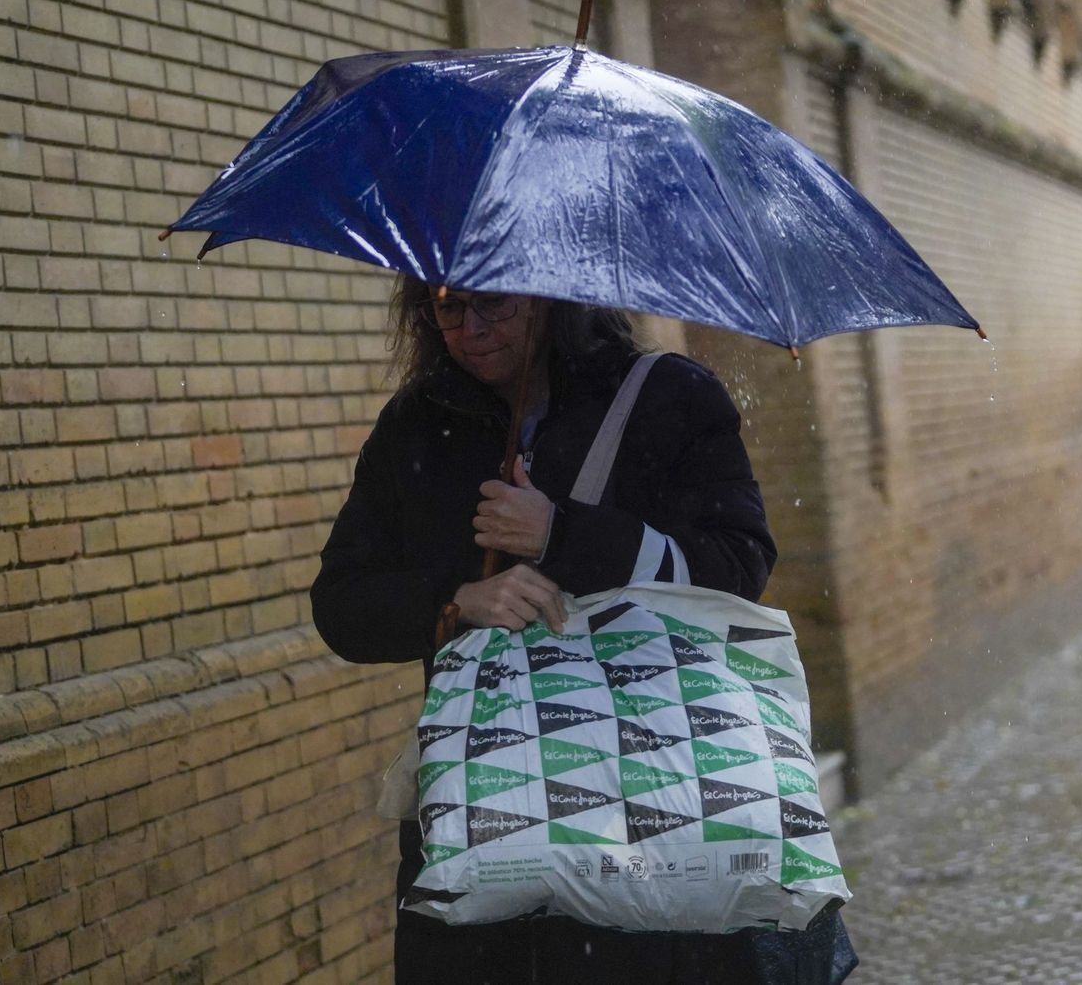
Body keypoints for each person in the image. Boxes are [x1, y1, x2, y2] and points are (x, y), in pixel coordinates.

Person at [310, 280, 857, 985]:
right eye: (446, 305)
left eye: (493, 303)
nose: (469, 328)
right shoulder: (416, 425)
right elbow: (342, 603)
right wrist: (455, 602)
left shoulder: (668, 398)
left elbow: (736, 567)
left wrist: (561, 534)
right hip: (481, 816)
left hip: (657, 799)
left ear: (549, 296)